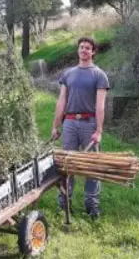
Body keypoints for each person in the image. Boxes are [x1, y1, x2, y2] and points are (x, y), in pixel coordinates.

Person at [51, 36, 110, 219]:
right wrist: (56, 125)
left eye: (87, 48)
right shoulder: (68, 74)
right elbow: (62, 100)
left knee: (92, 166)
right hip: (69, 124)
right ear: (78, 50)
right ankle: (64, 204)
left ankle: (91, 205)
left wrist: (99, 130)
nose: (83, 50)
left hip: (89, 124)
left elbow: (100, 105)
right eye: (81, 47)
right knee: (67, 165)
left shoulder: (99, 75)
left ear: (93, 52)